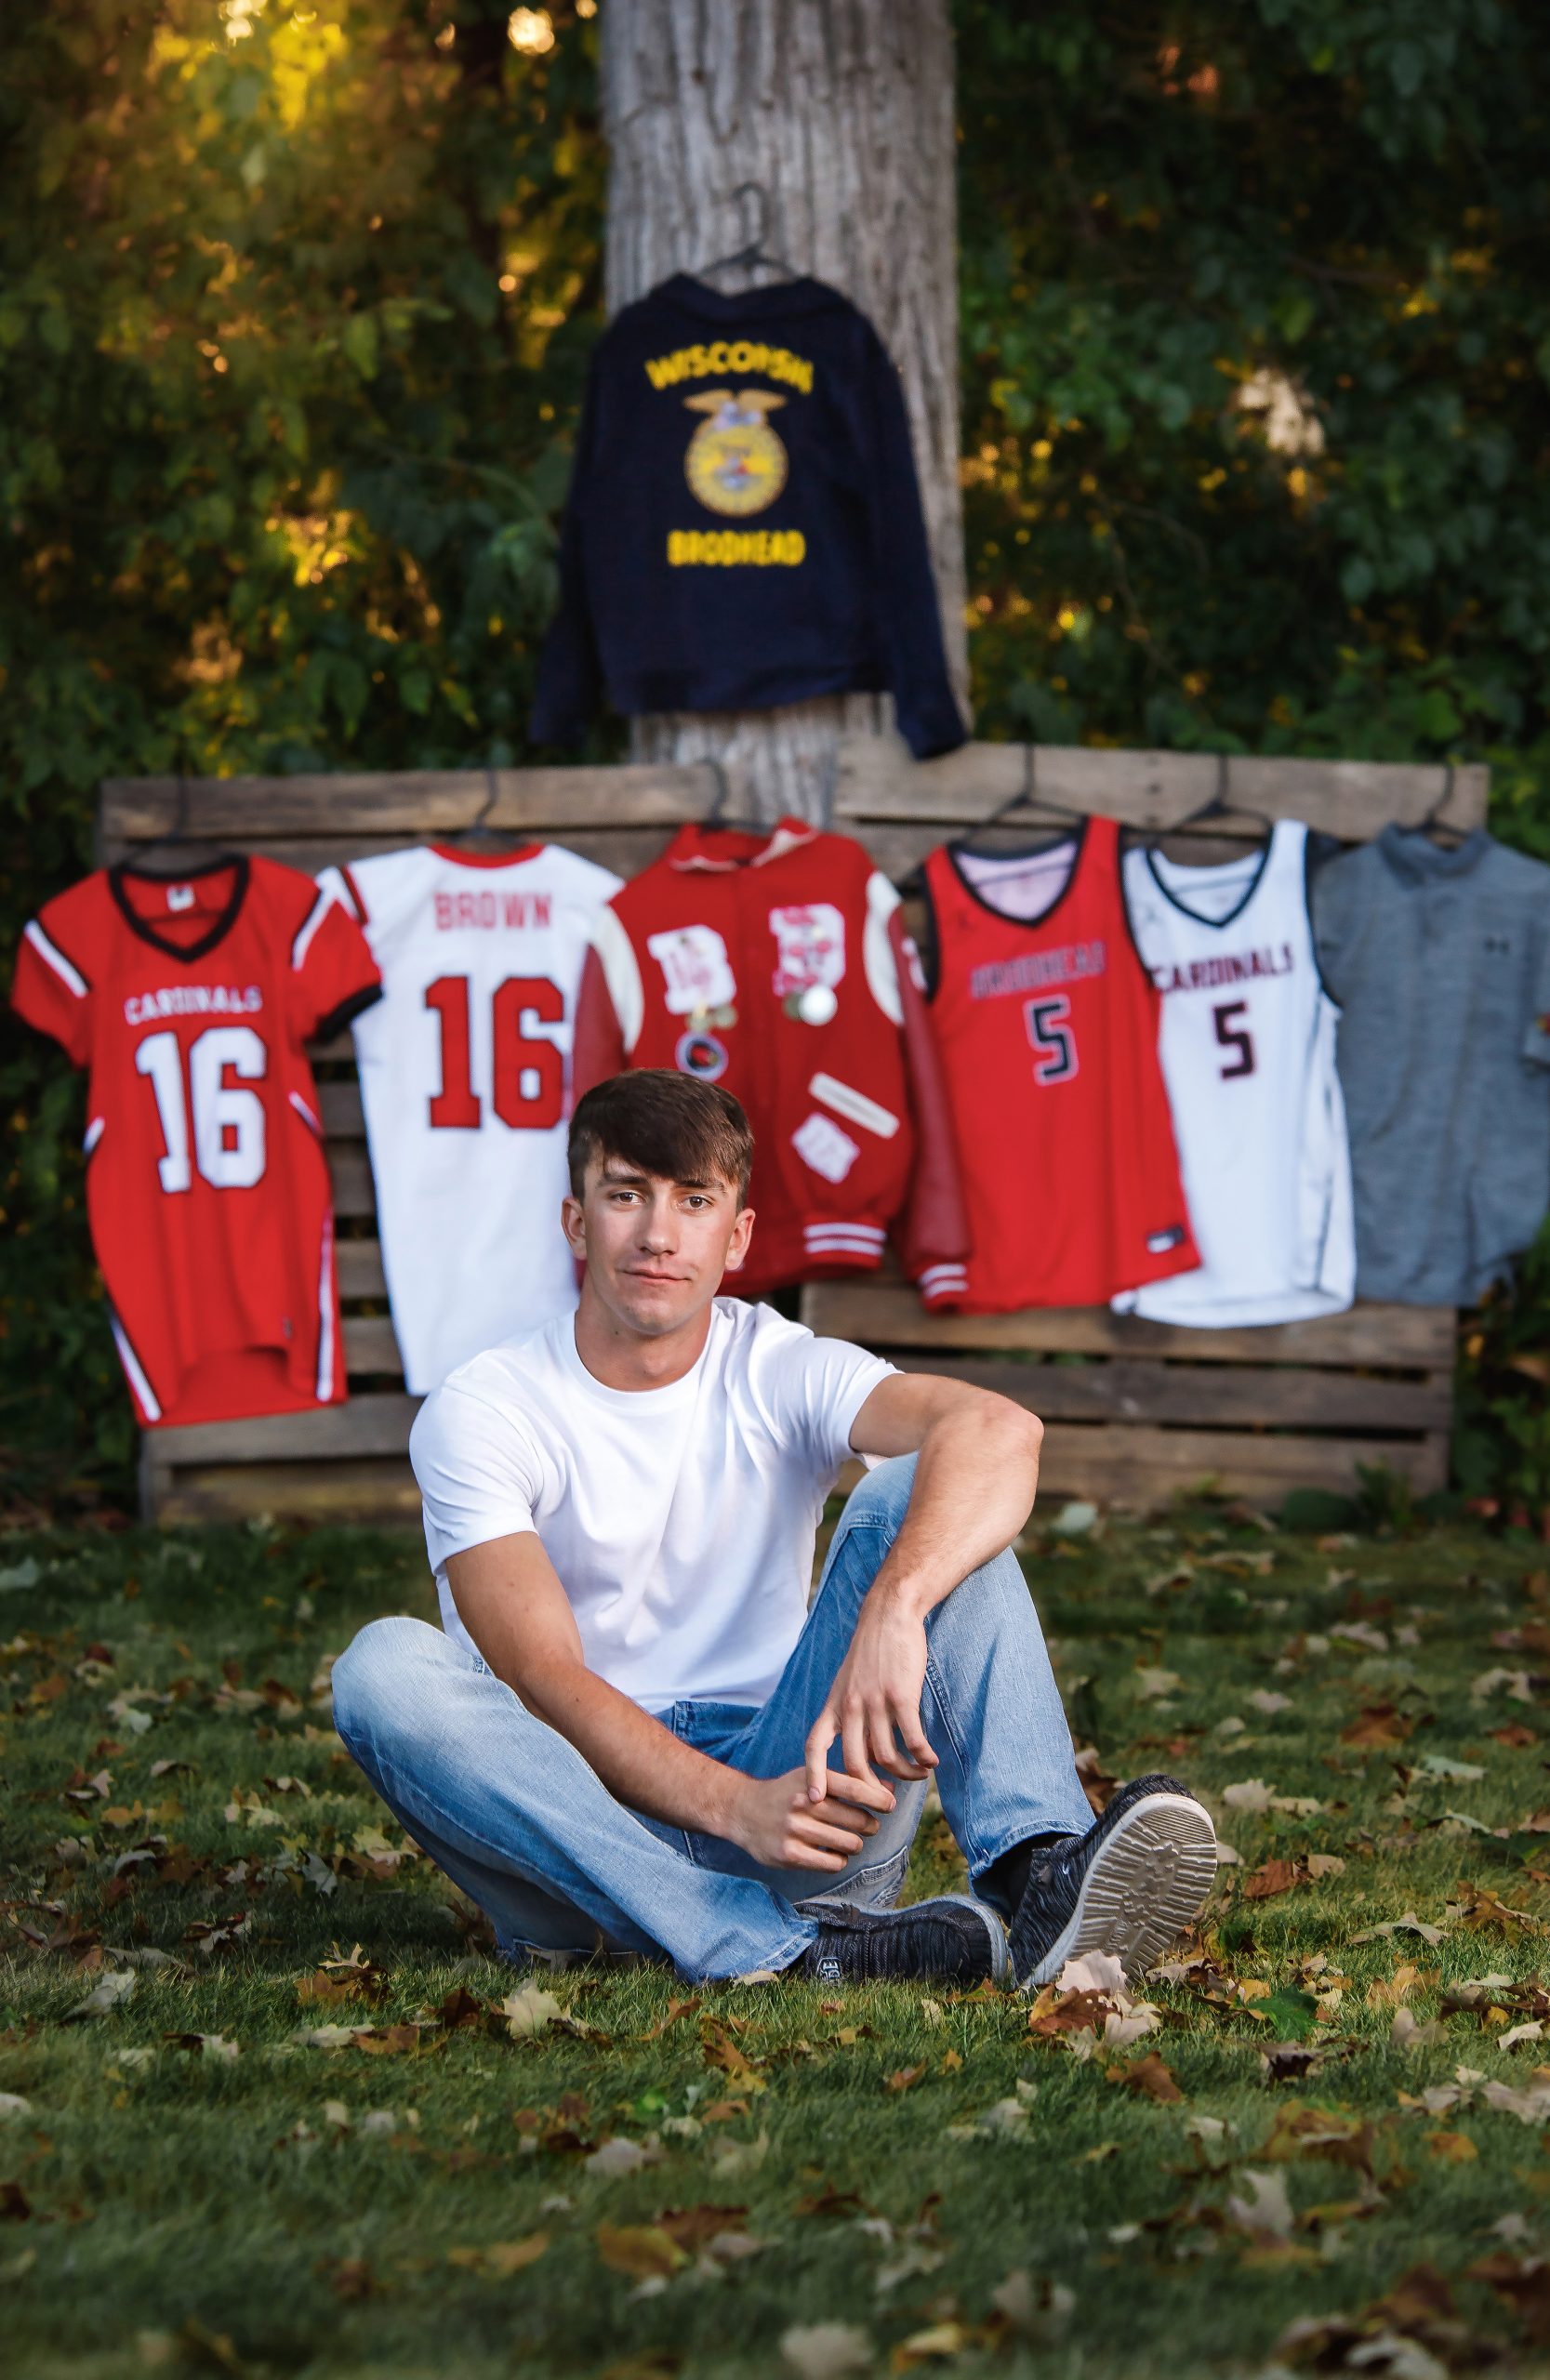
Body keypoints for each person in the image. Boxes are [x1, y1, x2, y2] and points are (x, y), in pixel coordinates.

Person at [332, 1071, 1217, 1985]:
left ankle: (1040, 1878)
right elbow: (543, 1675)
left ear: (737, 1233)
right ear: (575, 1220)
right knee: (381, 1672)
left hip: (796, 1793)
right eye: (625, 1194)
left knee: (928, 1494)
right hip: (580, 1833)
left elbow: (998, 1430)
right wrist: (729, 1806)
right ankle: (774, 1949)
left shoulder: (775, 1366)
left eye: (693, 1200)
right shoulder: (487, 1406)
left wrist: (896, 1606)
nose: (657, 1234)